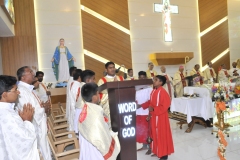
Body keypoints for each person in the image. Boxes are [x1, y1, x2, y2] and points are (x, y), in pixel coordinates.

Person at [15, 66, 51, 160]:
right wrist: (44, 109)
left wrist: (42, 106)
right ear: (22, 77)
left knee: (44, 145)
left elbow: (34, 104)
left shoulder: (28, 89)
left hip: (40, 121)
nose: (33, 74)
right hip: (35, 123)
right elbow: (28, 109)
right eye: (30, 72)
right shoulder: (22, 90)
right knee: (41, 147)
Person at [0, 75, 40, 160]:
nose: (18, 92)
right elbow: (25, 140)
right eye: (15, 90)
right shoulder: (8, 115)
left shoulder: (6, 111)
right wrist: (27, 121)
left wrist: (21, 121)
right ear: (4, 95)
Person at [78, 83, 120, 160]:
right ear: (94, 97)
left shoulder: (86, 108)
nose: (99, 95)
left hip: (87, 146)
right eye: (98, 93)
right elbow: (100, 138)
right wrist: (113, 136)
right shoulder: (96, 114)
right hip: (94, 149)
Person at [147, 75, 174, 160]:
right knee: (155, 135)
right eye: (154, 79)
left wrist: (154, 109)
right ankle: (158, 151)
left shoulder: (163, 92)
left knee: (161, 136)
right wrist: (149, 114)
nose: (154, 81)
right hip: (154, 117)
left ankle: (164, 155)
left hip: (161, 118)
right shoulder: (153, 91)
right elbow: (151, 103)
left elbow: (166, 105)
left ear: (161, 82)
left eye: (156, 80)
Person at [135, 71, 152, 154]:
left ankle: (150, 147)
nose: (142, 79)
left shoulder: (149, 88)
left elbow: (151, 101)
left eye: (143, 77)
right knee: (141, 130)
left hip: (146, 112)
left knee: (148, 130)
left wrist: (141, 105)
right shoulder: (135, 88)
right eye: (140, 78)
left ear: (146, 78)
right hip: (138, 112)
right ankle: (144, 146)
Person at [69, 69, 82, 133]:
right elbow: (77, 98)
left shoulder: (73, 83)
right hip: (76, 108)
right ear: (79, 77)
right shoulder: (77, 85)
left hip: (73, 106)